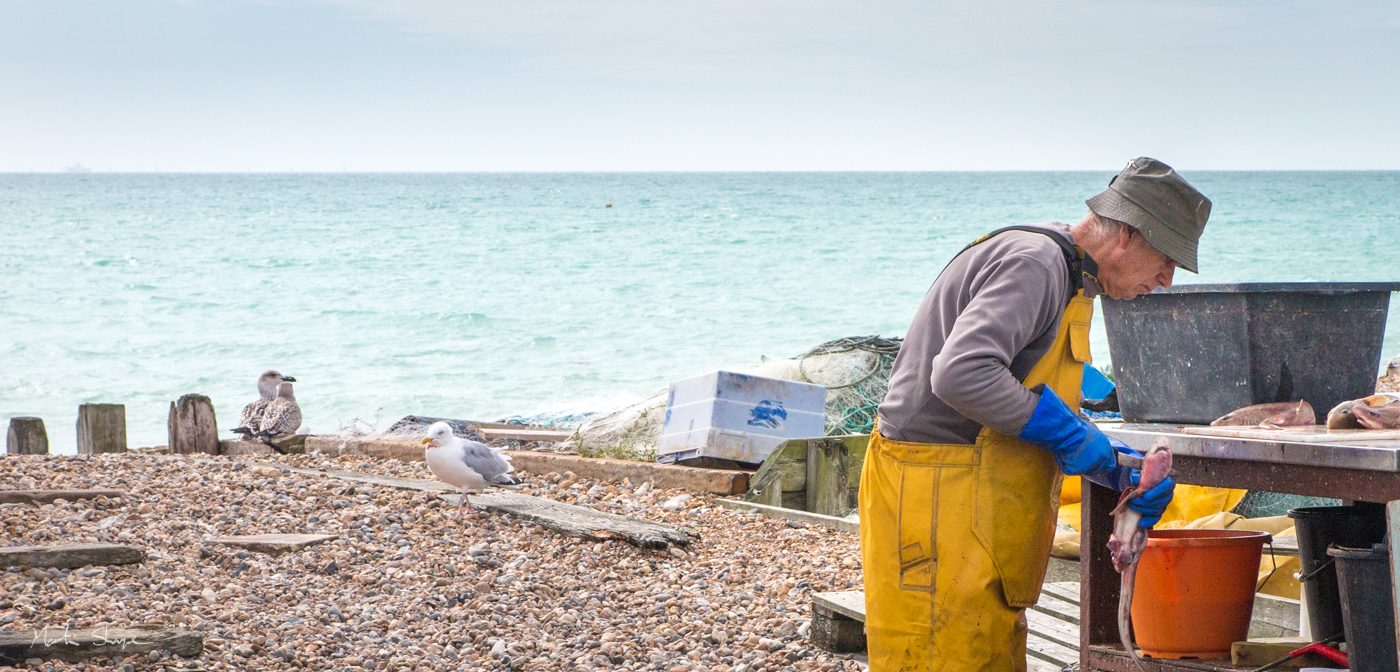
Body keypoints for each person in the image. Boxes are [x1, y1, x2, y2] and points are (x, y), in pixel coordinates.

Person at [859, 157, 1211, 671]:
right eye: (1167, 260)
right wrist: (1070, 436)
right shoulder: (1036, 262)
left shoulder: (1075, 275)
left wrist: (1108, 459)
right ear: (1128, 236)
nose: (1167, 282)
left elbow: (1027, 388)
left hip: (978, 505)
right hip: (934, 497)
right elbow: (960, 374)